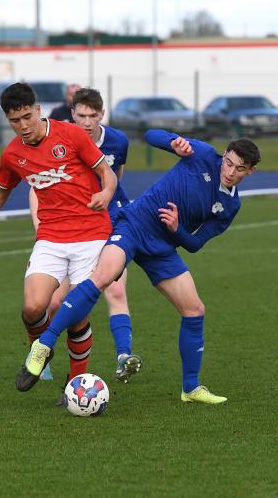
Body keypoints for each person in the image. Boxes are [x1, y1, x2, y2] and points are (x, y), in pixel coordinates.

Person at [17, 129, 261, 405]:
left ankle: (190, 388)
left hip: (163, 246)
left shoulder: (230, 205)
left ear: (250, 172)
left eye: (239, 169)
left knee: (194, 310)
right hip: (134, 224)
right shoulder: (203, 154)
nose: (230, 171)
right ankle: (44, 344)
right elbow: (149, 135)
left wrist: (177, 229)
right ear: (224, 155)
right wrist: (173, 143)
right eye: (228, 162)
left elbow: (195, 244)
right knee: (104, 276)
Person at [0, 82, 117, 396]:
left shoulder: (71, 135)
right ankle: (41, 349)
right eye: (15, 120)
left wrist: (106, 192)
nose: (23, 126)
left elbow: (106, 173)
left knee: (77, 314)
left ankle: (74, 384)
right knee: (32, 307)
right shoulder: (13, 154)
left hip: (91, 234)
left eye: (27, 116)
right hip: (51, 237)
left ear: (38, 110)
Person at [29, 87, 141, 384]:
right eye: (82, 115)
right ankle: (43, 352)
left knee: (115, 291)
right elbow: (36, 186)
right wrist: (40, 229)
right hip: (70, 228)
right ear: (72, 114)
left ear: (102, 114)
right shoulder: (57, 140)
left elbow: (115, 176)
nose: (88, 122)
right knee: (54, 304)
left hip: (112, 220)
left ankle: (123, 357)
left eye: (94, 116)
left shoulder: (118, 140)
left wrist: (107, 199)